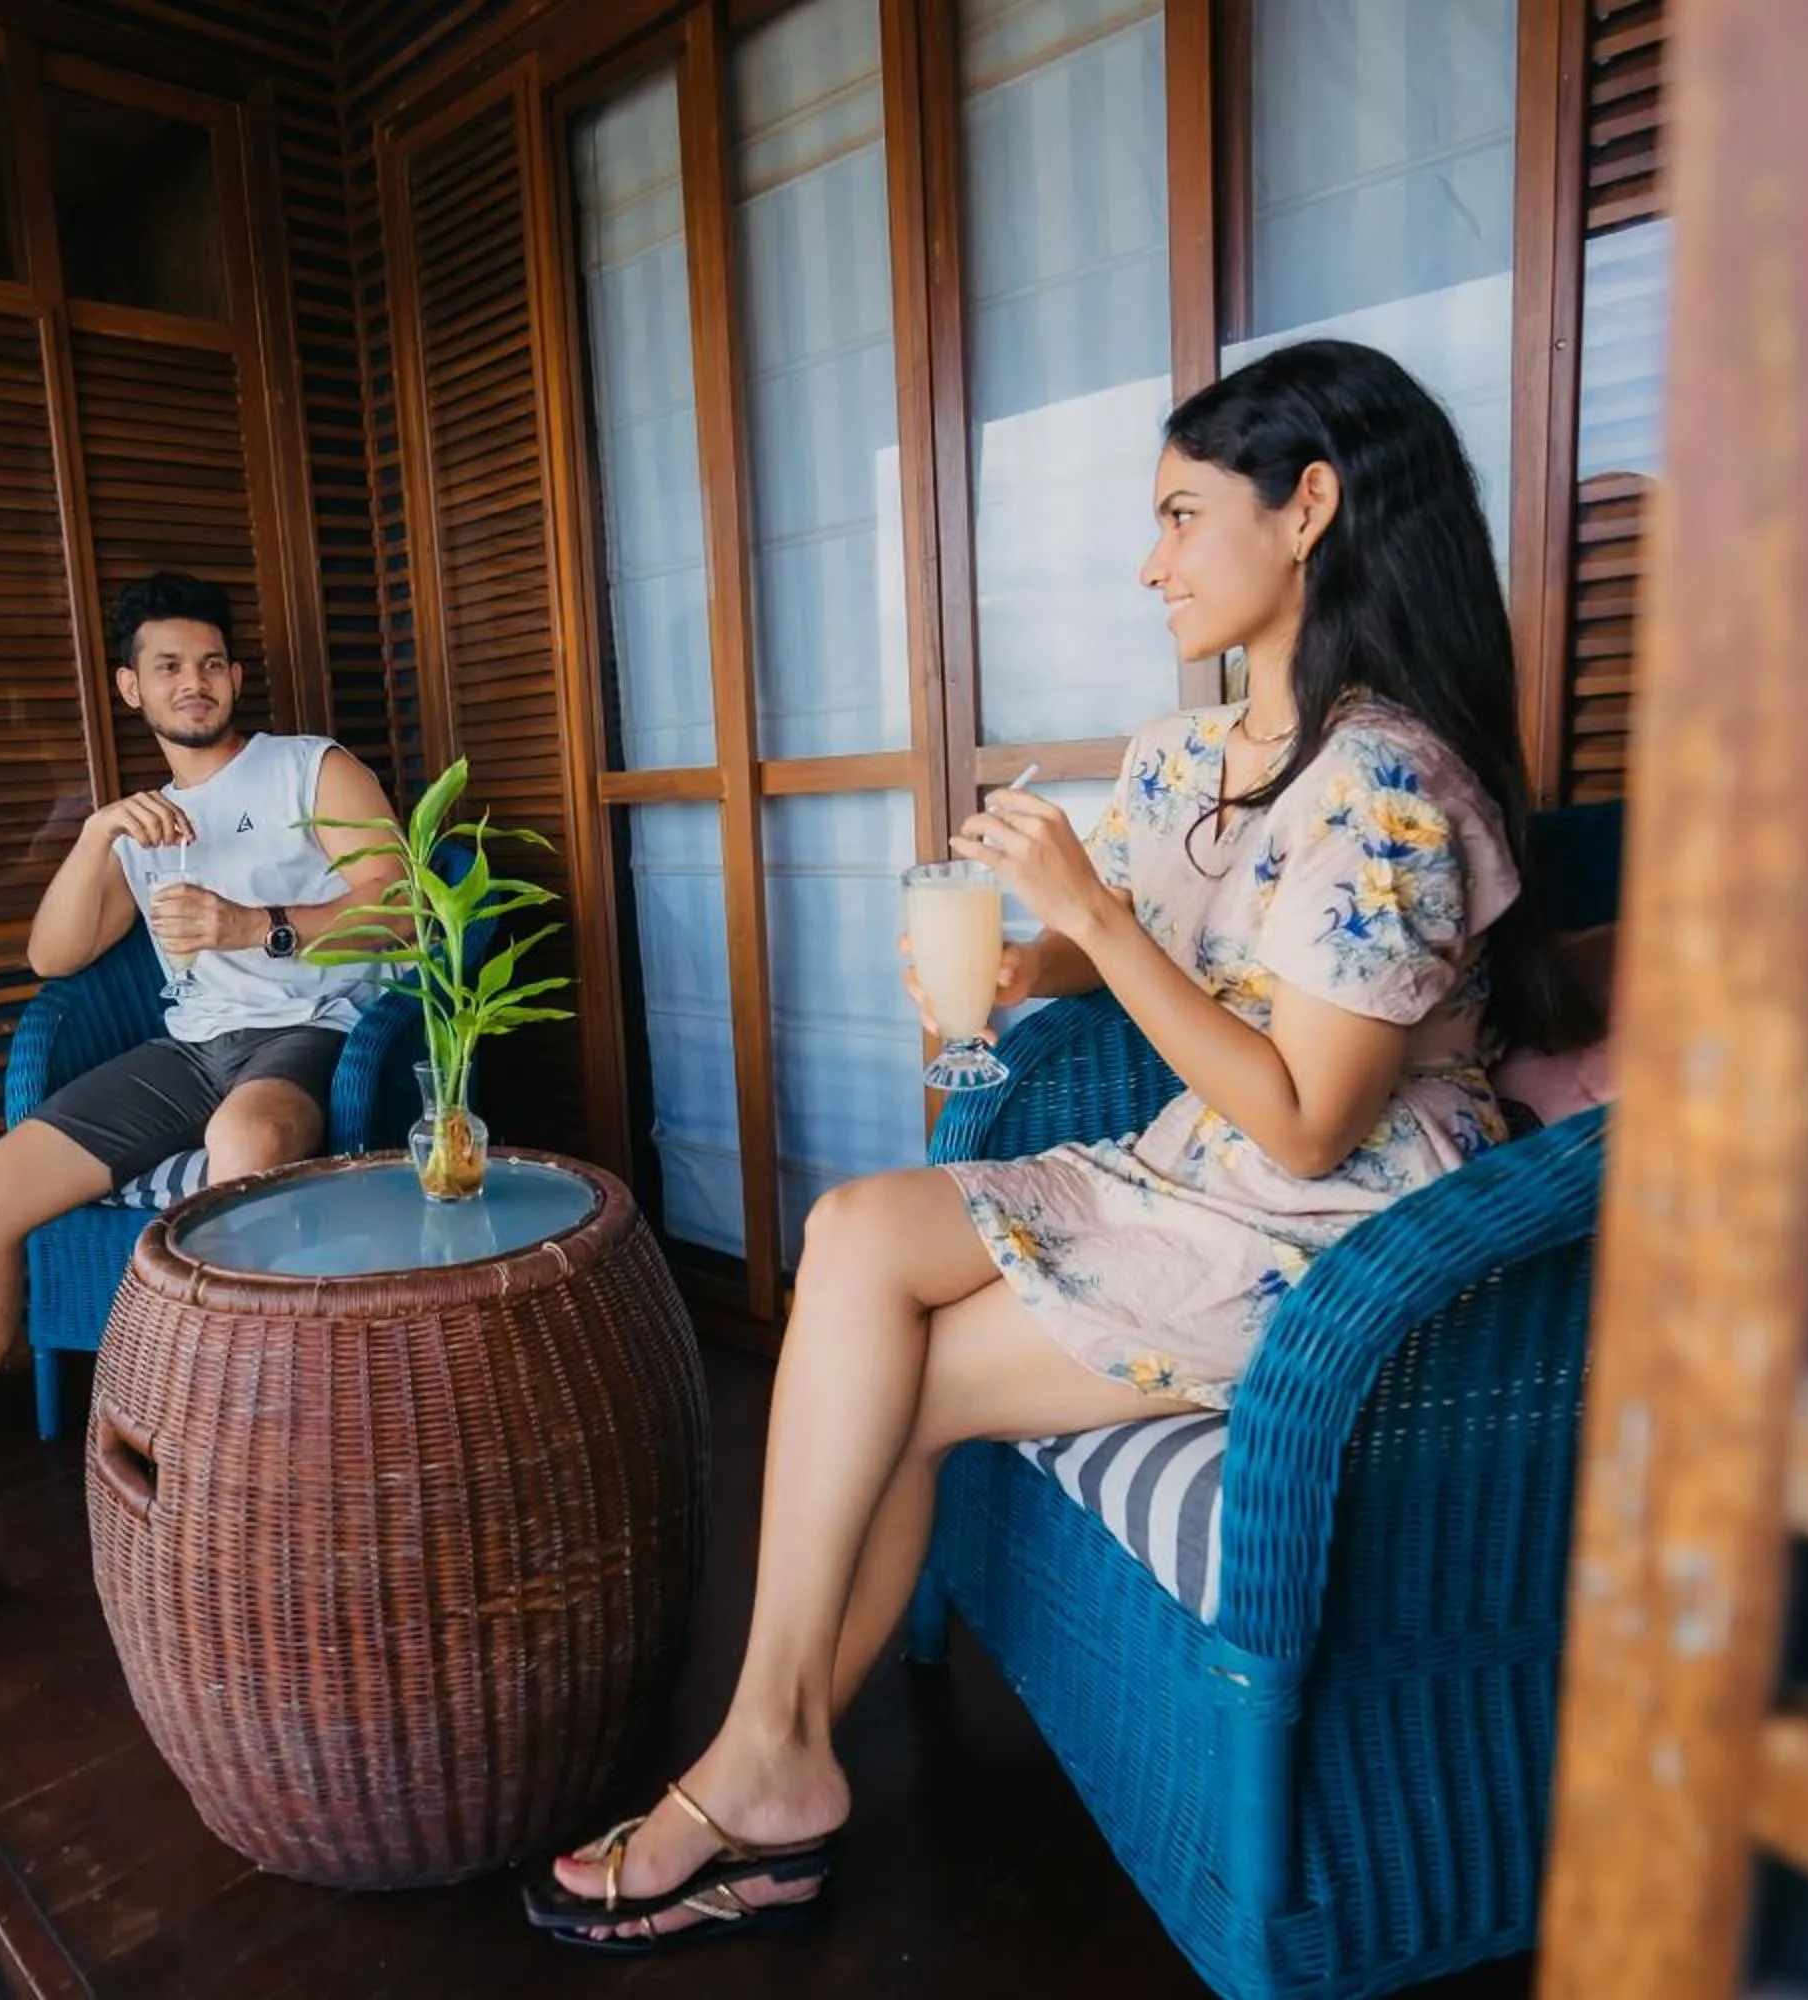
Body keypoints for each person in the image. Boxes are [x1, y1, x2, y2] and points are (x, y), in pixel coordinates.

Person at [521, 340, 1575, 1948]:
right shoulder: (1179, 757)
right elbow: (1166, 947)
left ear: (1309, 509)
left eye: (1178, 516)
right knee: (862, 1236)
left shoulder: (1394, 789)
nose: (1148, 564)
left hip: (1333, 1218)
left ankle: (764, 1771)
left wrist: (1085, 908)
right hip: (1187, 1159)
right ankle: (772, 1759)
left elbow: (1306, 1118)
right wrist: (1040, 961)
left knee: (898, 1395)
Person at [0, 571, 405, 1651]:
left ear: (235, 675)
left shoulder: (309, 766)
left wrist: (256, 923)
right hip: (188, 1046)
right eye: (166, 668)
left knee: (245, 1140)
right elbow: (52, 955)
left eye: (208, 663)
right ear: (130, 688)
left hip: (309, 1032)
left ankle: (252, 1480)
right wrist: (100, 831)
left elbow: (399, 903)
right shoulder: (139, 821)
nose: (192, 683)